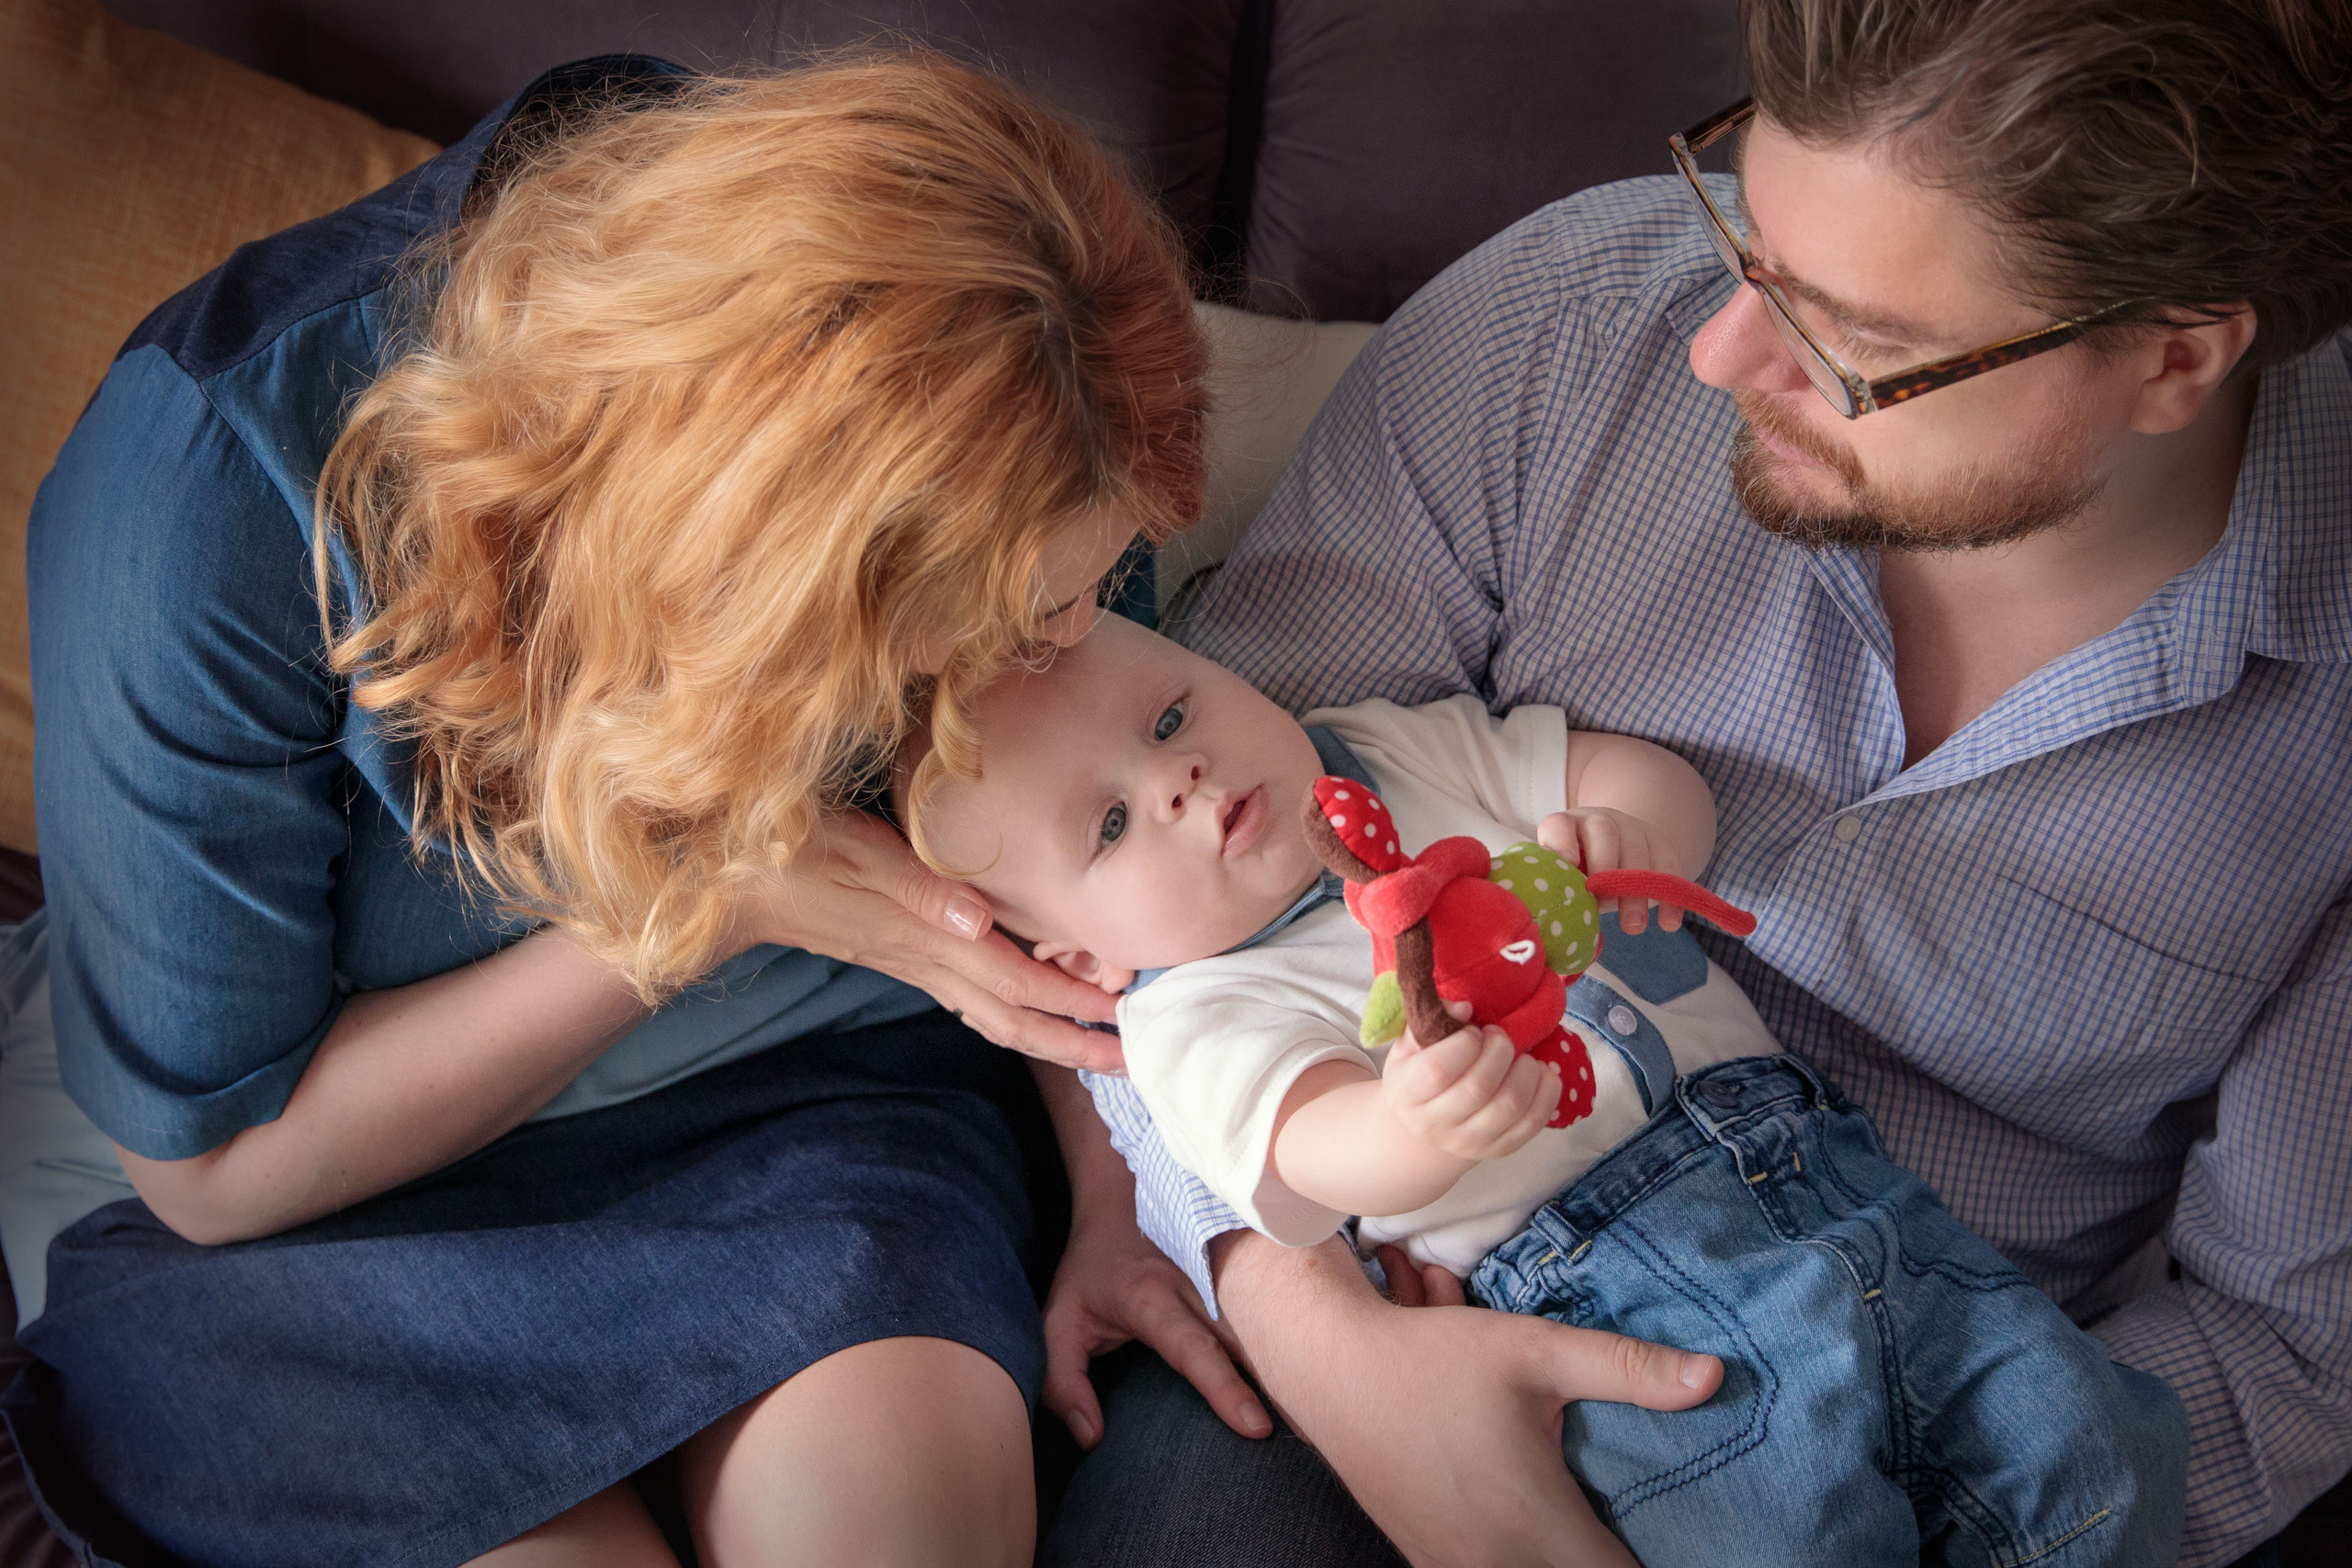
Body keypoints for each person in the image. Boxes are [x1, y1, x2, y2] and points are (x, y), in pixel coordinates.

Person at [1038, 3, 2352, 1566]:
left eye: (1851, 341)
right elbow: (1143, 912)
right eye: (1741, 226)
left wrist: (1950, 1490)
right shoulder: (1563, 325)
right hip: (1400, 1289)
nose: (1714, 351)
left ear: (2175, 358)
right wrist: (1343, 1358)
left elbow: (2285, 1344)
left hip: (1967, 1373)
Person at [0, 51, 1220, 1568]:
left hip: (822, 1127)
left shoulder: (1047, 391)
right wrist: (714, 910)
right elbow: (219, 1175)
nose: (1067, 651)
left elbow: (1086, 909)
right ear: (759, 568)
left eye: (1088, 593)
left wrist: (1123, 1204)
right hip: (340, 1221)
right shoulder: (208, 491)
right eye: (1014, 622)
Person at [909, 612, 2189, 1567]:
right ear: (1081, 958)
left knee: (2095, 1456)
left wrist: (1629, 831)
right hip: (1614, 1286)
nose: (1174, 778)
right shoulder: (1192, 1008)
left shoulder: (1391, 751)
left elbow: (1633, 782)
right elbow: (1303, 1165)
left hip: (1838, 1183)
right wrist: (1410, 1124)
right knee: (1794, 1536)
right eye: (1112, 825)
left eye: (1172, 715)